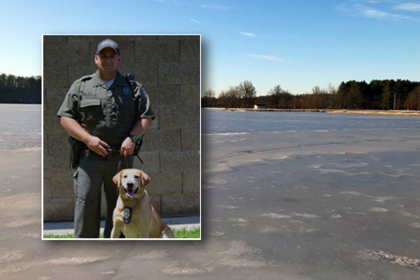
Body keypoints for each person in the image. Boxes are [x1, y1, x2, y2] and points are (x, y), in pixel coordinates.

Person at [57, 39, 155, 238]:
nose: (108, 60)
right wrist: (87, 139)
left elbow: (146, 117)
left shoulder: (133, 88)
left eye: (112, 56)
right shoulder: (81, 86)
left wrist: (132, 137)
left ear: (119, 59)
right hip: (89, 159)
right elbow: (66, 118)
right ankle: (85, 252)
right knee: (86, 204)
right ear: (96, 59)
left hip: (121, 160)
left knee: (121, 206)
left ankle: (115, 250)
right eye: (103, 56)